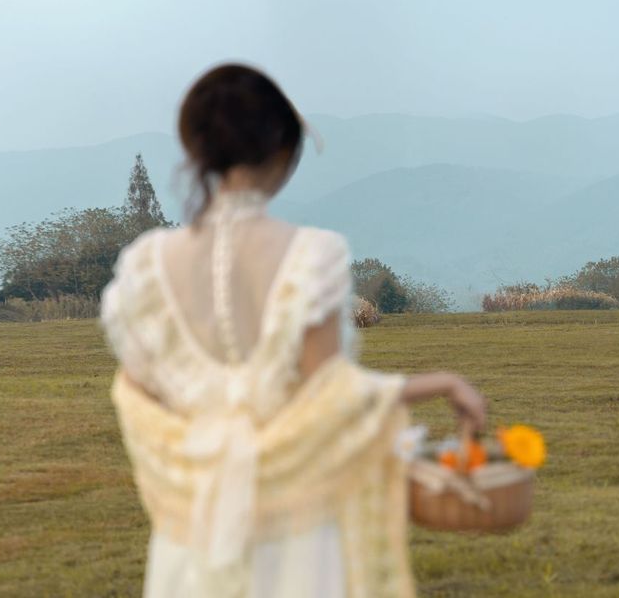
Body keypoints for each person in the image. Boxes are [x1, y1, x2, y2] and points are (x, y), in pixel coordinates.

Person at [99, 63, 486, 598]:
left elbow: (141, 393)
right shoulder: (310, 257)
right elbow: (330, 394)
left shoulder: (146, 267)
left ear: (197, 149)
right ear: (282, 151)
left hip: (194, 533)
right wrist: (444, 383)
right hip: (295, 533)